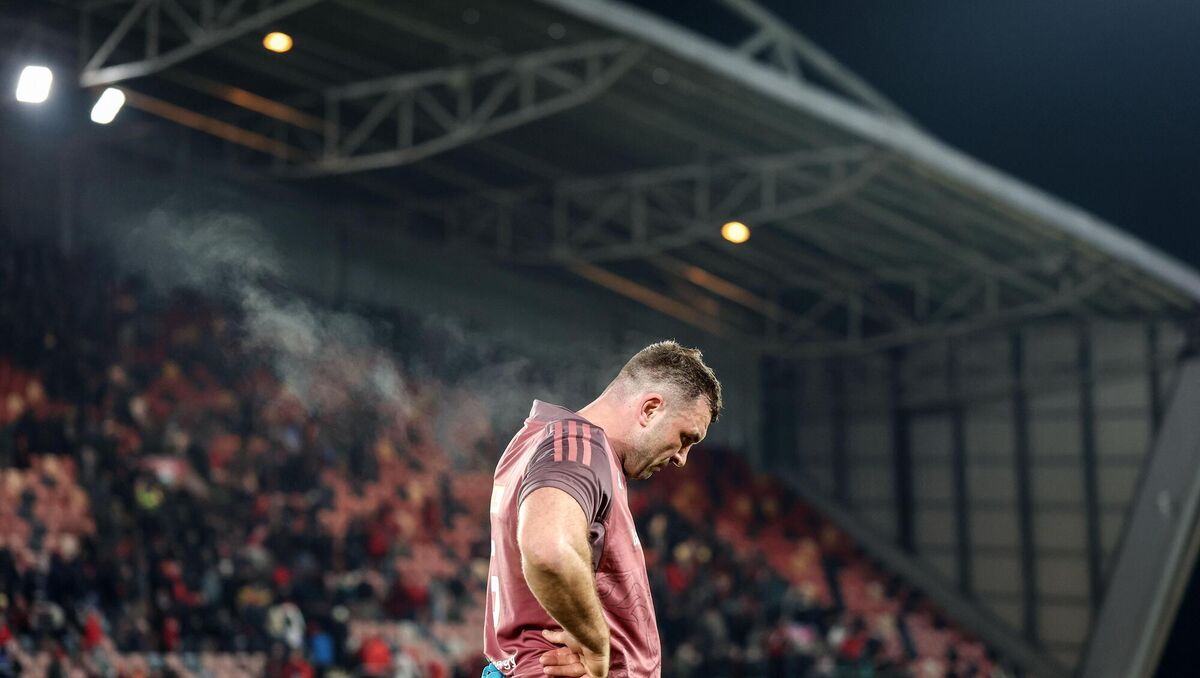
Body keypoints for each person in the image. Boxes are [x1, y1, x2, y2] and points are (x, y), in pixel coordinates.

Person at [482, 341, 723, 678]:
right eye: (685, 437)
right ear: (651, 408)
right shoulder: (579, 444)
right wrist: (595, 644)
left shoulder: (544, 440)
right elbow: (548, 550)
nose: (682, 458)